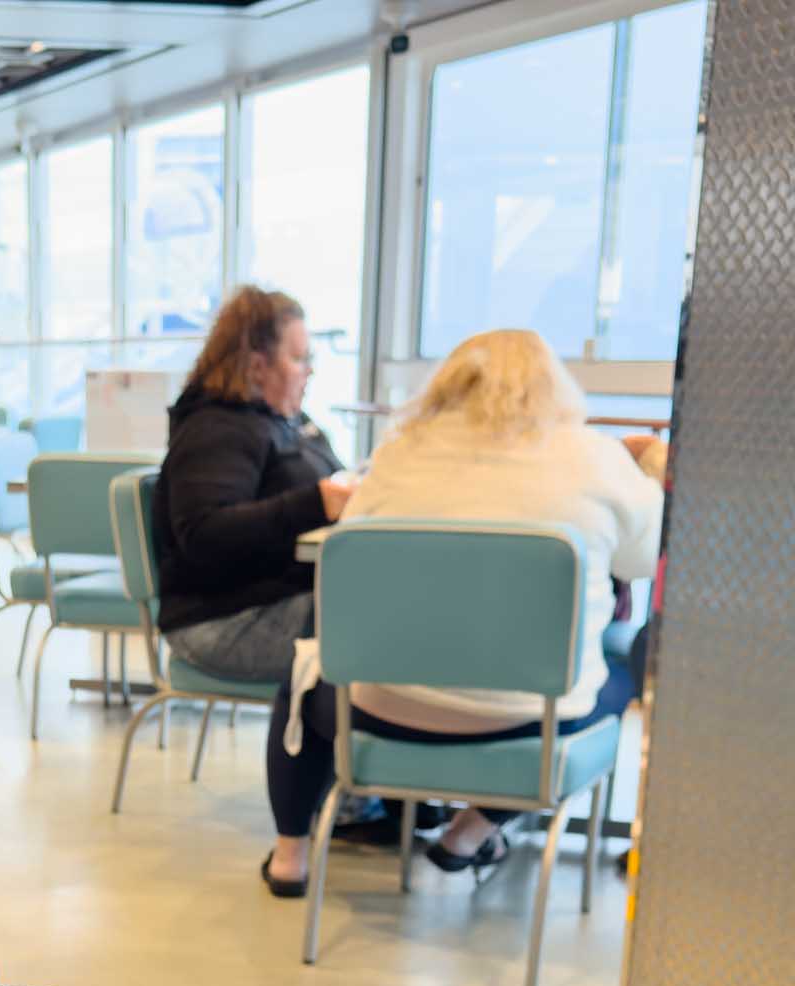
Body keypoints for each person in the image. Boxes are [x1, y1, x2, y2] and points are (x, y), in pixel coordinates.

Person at [260, 330, 668, 893]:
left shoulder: (400, 453)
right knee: (621, 669)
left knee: (304, 675)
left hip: (380, 710)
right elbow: (642, 561)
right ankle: (471, 831)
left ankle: (290, 859)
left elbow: (353, 547)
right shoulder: (596, 458)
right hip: (535, 723)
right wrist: (649, 469)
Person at [153, 287, 354, 685]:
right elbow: (204, 534)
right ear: (258, 366)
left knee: (388, 608)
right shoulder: (216, 428)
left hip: (275, 598)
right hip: (226, 620)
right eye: (298, 359)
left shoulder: (287, 423)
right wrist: (316, 503)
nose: (309, 371)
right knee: (387, 624)